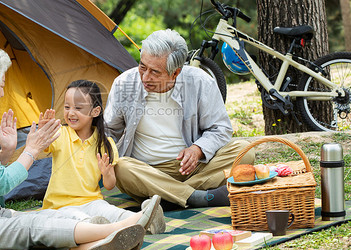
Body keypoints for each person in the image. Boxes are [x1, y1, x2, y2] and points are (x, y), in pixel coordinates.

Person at [0, 45, 158, 250]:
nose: (3, 91)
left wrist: (7, 152)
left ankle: (97, 246)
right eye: (2, 84)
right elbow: (0, 184)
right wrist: (30, 150)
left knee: (45, 221)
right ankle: (125, 225)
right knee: (31, 227)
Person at [104, 29, 256, 208]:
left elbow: (220, 128)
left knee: (245, 150)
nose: (145, 77)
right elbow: (109, 130)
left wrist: (197, 149)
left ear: (175, 73)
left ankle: (167, 197)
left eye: (155, 72)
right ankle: (196, 196)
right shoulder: (124, 84)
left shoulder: (200, 82)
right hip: (147, 172)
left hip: (195, 168)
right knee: (121, 167)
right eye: (142, 66)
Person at [39, 80, 165, 234]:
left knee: (113, 212)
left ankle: (148, 220)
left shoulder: (105, 144)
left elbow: (110, 185)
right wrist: (43, 132)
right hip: (60, 206)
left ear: (95, 111)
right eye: (67, 107)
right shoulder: (60, 134)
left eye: (78, 108)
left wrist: (106, 173)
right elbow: (42, 145)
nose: (71, 113)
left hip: (92, 201)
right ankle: (99, 228)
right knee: (77, 218)